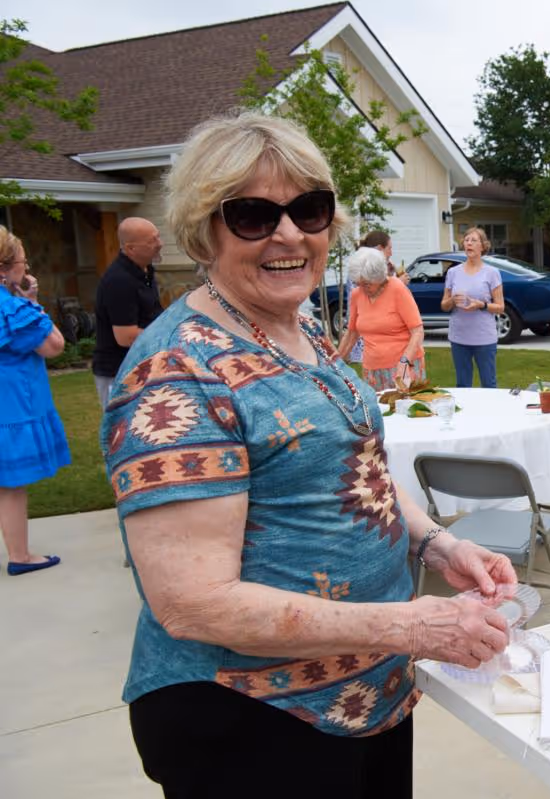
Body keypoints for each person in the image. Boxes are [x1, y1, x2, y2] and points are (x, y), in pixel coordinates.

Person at [100, 111, 515, 797]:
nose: (289, 234)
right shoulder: (176, 372)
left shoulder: (294, 325)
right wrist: (414, 623)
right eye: (254, 215)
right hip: (252, 717)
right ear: (205, 228)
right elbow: (194, 604)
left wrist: (438, 547)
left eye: (309, 209)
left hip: (367, 692)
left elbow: (355, 468)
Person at [0, 227, 70, 576]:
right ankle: (20, 555)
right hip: (10, 407)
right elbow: (54, 345)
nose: (25, 271)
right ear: (4, 269)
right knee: (11, 485)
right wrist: (30, 301)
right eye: (21, 264)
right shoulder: (11, 309)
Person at [93, 217, 164, 407]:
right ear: (131, 248)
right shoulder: (119, 280)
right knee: (124, 432)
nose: (160, 244)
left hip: (144, 366)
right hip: (119, 373)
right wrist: (170, 333)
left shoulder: (146, 271)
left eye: (158, 237)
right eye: (152, 241)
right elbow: (126, 337)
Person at [336, 247, 425, 390]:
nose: (362, 288)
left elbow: (417, 331)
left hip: (404, 366)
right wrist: (335, 363)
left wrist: (404, 361)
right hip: (371, 369)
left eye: (367, 284)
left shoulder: (397, 289)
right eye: (359, 283)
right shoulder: (357, 295)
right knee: (376, 410)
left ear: (379, 277)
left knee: (404, 409)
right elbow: (351, 333)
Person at [441, 227, 503, 387]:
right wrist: (453, 300)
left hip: (484, 339)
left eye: (473, 240)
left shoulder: (492, 273)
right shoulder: (453, 272)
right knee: (462, 386)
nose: (468, 243)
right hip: (459, 337)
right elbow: (444, 305)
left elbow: (500, 307)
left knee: (489, 384)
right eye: (466, 240)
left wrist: (480, 305)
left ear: (483, 246)